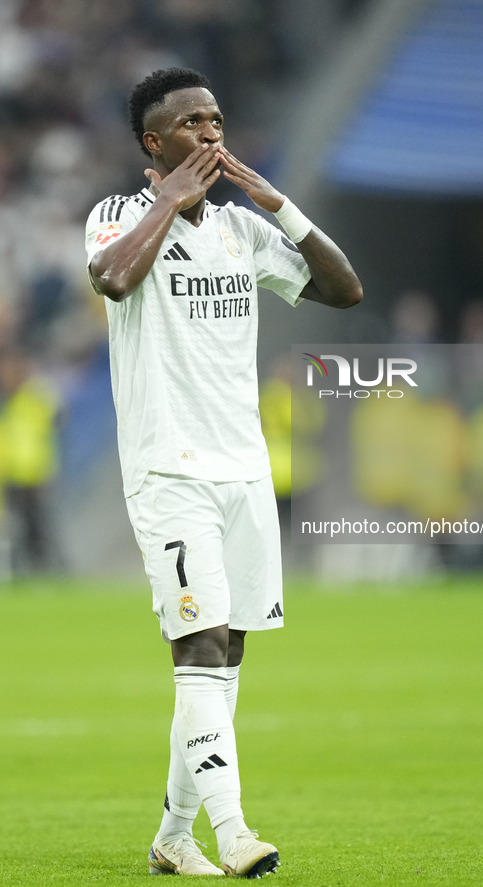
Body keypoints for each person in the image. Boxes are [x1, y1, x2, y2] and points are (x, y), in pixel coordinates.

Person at [84, 67, 362, 878]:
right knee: (198, 641)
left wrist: (280, 204)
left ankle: (173, 837)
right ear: (153, 142)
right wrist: (169, 201)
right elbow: (111, 278)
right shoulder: (119, 215)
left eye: (215, 120)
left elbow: (344, 290)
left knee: (226, 653)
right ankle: (234, 832)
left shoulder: (243, 232)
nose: (210, 134)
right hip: (169, 468)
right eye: (190, 124)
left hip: (244, 470)